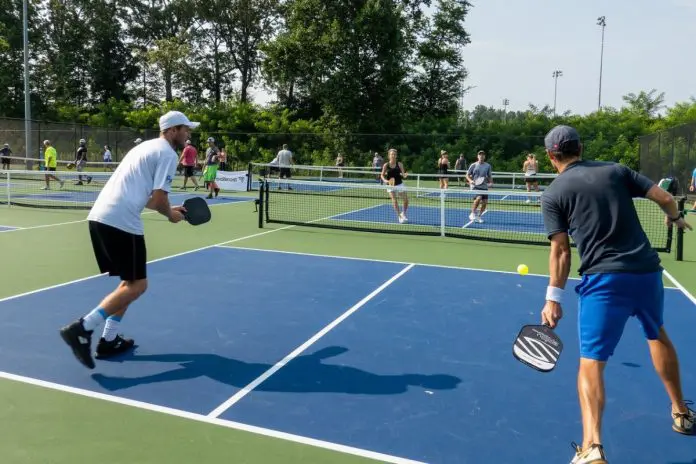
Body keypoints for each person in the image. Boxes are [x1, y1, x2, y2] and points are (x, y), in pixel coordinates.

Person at [538, 125, 695, 464]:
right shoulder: (616, 170)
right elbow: (666, 198)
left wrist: (553, 298)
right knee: (657, 333)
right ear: (581, 147)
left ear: (551, 156)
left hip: (605, 282)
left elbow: (562, 251)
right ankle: (681, 413)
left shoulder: (553, 193)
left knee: (591, 364)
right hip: (648, 274)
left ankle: (591, 446)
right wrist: (676, 218)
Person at [59, 110, 197, 369]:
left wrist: (170, 208)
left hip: (101, 216)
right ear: (172, 130)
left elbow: (146, 195)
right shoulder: (167, 153)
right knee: (138, 285)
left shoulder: (146, 147)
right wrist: (171, 216)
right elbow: (157, 201)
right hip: (121, 220)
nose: (188, 133)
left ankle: (109, 340)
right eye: (185, 129)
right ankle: (82, 328)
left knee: (129, 282)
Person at [380, 148, 409, 224]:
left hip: (399, 184)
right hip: (390, 185)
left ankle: (403, 213)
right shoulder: (386, 165)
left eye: (394, 154)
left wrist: (405, 175)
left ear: (396, 156)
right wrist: (385, 181)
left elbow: (403, 174)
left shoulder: (399, 164)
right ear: (389, 155)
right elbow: (382, 175)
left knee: (406, 200)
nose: (393, 155)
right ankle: (399, 216)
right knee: (394, 200)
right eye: (391, 154)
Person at [464, 150, 493, 224]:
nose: (481, 156)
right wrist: (470, 181)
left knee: (485, 203)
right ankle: (472, 213)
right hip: (475, 186)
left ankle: (479, 216)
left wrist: (491, 182)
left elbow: (489, 176)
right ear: (477, 156)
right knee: (478, 198)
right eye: (480, 155)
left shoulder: (488, 166)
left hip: (484, 186)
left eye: (483, 155)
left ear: (484, 157)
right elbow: (467, 175)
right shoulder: (473, 165)